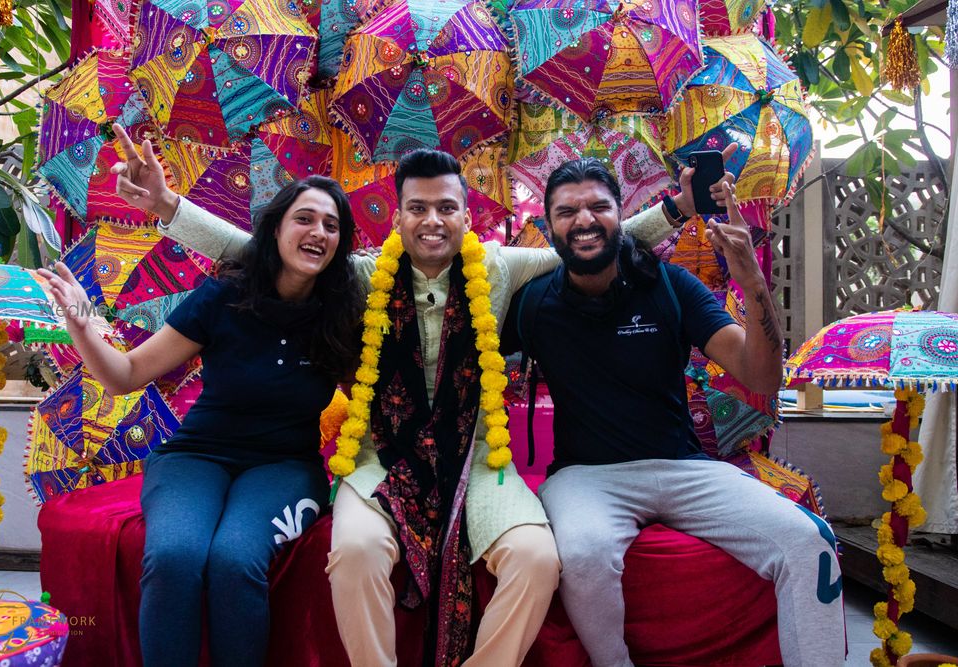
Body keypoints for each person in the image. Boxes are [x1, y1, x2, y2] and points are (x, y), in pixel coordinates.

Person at [109, 124, 688, 665]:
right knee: (355, 557)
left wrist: (676, 210)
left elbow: (590, 240)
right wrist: (167, 208)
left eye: (445, 208)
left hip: (479, 461)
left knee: (536, 560)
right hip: (381, 460)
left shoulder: (500, 265)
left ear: (466, 215)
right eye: (417, 208)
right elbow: (260, 250)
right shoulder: (361, 277)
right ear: (399, 217)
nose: (431, 221)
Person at [503, 155, 846, 667]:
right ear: (549, 227)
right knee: (582, 554)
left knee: (808, 539)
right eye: (566, 211)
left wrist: (752, 282)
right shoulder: (531, 303)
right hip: (585, 477)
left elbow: (762, 378)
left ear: (622, 217)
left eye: (599, 206)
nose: (584, 220)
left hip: (684, 468)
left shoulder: (668, 285)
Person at [39, 175, 365, 667]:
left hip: (285, 469)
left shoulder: (343, 315)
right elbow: (125, 375)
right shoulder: (223, 297)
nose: (318, 231)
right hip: (194, 459)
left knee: (235, 561)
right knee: (174, 558)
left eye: (331, 225)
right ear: (275, 229)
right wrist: (82, 327)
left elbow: (383, 397)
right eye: (304, 218)